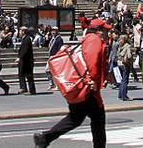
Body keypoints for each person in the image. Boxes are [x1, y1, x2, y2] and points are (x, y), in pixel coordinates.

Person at [34, 19, 112, 148]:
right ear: (98, 30)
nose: (107, 32)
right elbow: (92, 61)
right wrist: (92, 80)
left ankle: (45, 137)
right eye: (105, 30)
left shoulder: (87, 39)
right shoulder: (94, 40)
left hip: (81, 86)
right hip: (87, 88)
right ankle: (45, 137)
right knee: (97, 118)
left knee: (76, 118)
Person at [18, 28, 37, 94]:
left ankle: (32, 90)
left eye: (20, 31)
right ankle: (23, 88)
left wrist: (19, 57)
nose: (19, 33)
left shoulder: (27, 39)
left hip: (27, 61)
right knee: (21, 74)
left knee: (29, 75)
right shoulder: (24, 38)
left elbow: (25, 50)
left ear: (23, 31)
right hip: (24, 60)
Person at [116, 34, 134, 101]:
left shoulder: (120, 46)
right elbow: (129, 56)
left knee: (121, 80)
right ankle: (124, 96)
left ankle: (120, 94)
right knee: (125, 80)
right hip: (125, 64)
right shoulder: (127, 46)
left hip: (119, 63)